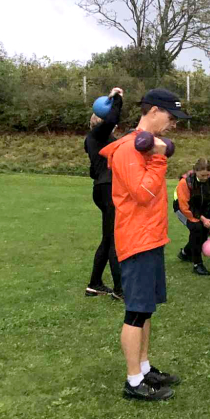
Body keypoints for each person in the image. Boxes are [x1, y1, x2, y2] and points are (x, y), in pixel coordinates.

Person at [100, 88, 190, 402]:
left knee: (146, 309)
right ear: (152, 111)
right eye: (171, 117)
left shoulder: (145, 146)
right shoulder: (129, 149)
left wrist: (156, 155)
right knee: (136, 312)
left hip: (151, 238)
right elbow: (142, 194)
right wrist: (159, 159)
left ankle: (144, 366)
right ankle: (133, 381)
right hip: (136, 240)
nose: (174, 124)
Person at [83, 87, 124, 299]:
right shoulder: (97, 135)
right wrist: (117, 100)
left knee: (108, 239)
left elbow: (94, 170)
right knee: (114, 240)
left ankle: (95, 284)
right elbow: (111, 119)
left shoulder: (96, 140)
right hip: (107, 190)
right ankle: (120, 290)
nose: (114, 126)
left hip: (102, 188)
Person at [174, 158, 210, 276]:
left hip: (203, 209)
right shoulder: (185, 182)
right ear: (195, 171)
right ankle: (198, 264)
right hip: (183, 209)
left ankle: (185, 253)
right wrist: (202, 219)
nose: (205, 178)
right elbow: (185, 206)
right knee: (197, 229)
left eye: (207, 175)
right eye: (202, 175)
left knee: (205, 231)